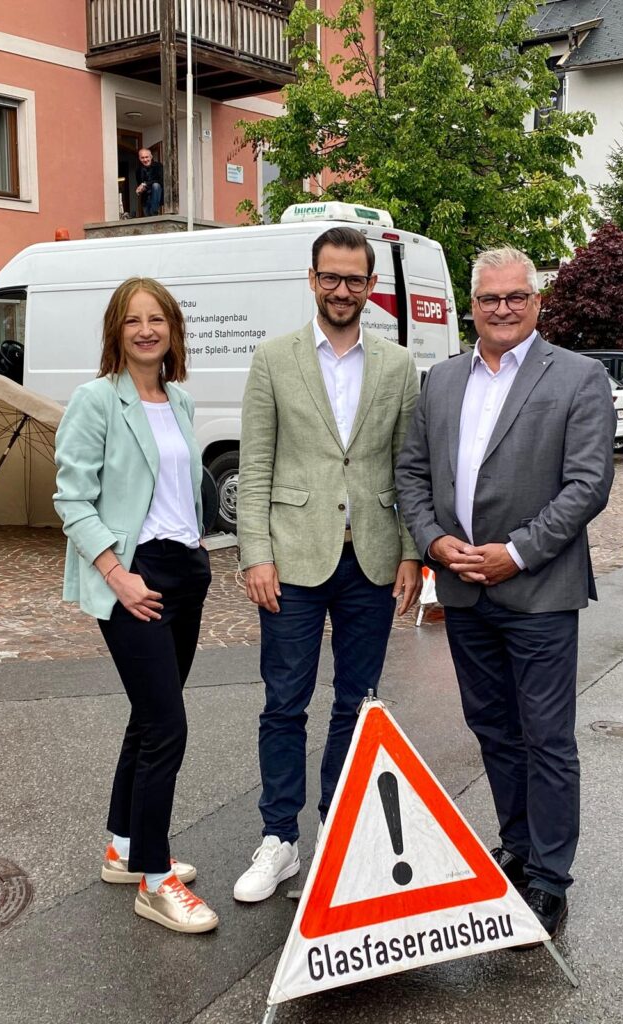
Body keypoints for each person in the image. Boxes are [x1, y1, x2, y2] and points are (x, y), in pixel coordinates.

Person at [395, 247, 616, 942]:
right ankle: (517, 847)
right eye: (490, 298)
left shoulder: (578, 377)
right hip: (461, 589)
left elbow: (587, 485)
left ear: (537, 300)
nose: (503, 308)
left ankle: (550, 877)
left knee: (546, 736)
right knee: (493, 729)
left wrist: (515, 552)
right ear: (472, 305)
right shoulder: (441, 380)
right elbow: (411, 474)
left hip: (539, 588)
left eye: (516, 296)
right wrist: (433, 542)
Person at [233, 226, 422, 902]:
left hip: (370, 558)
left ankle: (338, 834)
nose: (342, 290)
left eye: (355, 280)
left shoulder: (397, 365)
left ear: (371, 287)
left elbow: (408, 470)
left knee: (357, 702)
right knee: (284, 703)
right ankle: (278, 841)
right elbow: (254, 467)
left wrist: (409, 553)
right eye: (330, 278)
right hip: (290, 559)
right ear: (312, 279)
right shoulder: (273, 358)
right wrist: (255, 553)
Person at [53, 277, 218, 933]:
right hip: (135, 577)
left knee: (150, 721)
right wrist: (117, 574)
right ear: (116, 332)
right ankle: (155, 880)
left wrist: (199, 551)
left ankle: (125, 846)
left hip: (185, 570)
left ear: (172, 330)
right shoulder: (96, 401)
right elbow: (72, 500)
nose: (146, 330)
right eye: (133, 321)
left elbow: (178, 486)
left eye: (158, 319)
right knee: (168, 729)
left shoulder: (177, 400)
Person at [136, 149, 163, 217]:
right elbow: (140, 184)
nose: (145, 160)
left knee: (156, 185)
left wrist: (145, 184)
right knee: (148, 221)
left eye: (146, 157)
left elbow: (160, 181)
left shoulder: (158, 166)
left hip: (156, 197)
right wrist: (140, 190)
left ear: (151, 157)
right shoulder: (138, 170)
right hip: (146, 198)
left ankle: (154, 212)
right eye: (142, 158)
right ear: (139, 158)